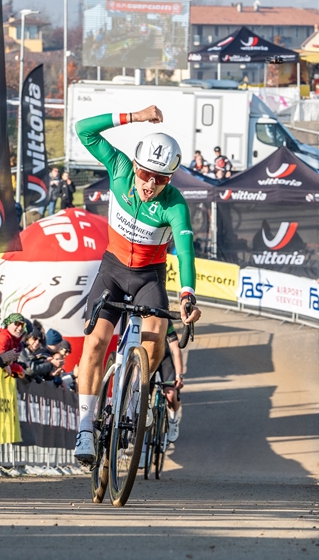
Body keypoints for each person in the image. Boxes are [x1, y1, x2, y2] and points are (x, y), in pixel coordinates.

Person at [72, 105, 201, 466]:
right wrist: (135, 117)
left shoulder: (174, 205)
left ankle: (136, 396)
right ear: (135, 166)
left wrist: (187, 295)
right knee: (95, 342)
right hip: (112, 271)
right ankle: (85, 427)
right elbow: (83, 129)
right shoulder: (119, 168)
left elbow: (186, 252)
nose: (149, 184)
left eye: (160, 179)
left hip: (149, 276)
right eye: (145, 174)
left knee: (156, 335)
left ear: (170, 180)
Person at [161, 323, 185, 443]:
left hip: (163, 359)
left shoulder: (165, 321)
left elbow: (176, 350)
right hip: (145, 359)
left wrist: (179, 375)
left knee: (170, 394)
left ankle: (173, 420)